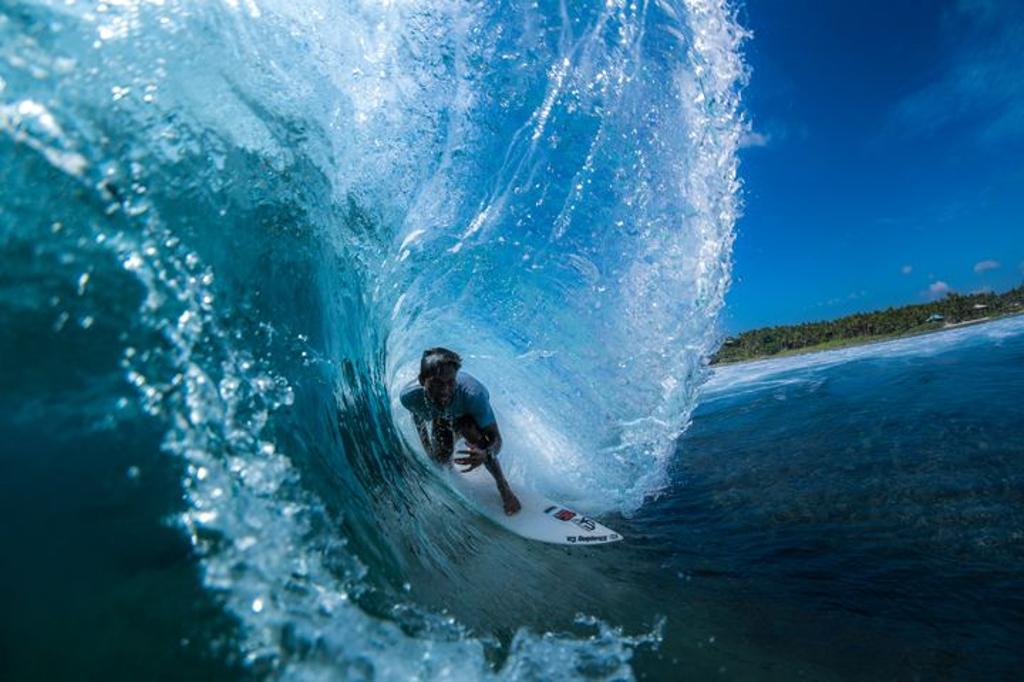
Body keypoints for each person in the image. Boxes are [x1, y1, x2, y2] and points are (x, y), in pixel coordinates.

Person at [400, 347, 522, 515]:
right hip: (442, 416)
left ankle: (504, 487)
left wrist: (486, 454)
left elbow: (496, 439)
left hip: (466, 415)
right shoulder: (410, 397)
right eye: (437, 383)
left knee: (469, 429)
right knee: (440, 459)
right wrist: (427, 447)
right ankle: (450, 468)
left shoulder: (473, 396)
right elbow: (418, 418)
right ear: (422, 380)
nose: (445, 390)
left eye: (451, 382)